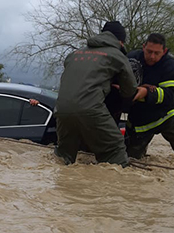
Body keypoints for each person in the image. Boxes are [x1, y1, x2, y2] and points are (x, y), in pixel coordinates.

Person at [54, 21, 146, 167]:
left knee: (63, 156)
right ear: (120, 41)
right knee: (115, 147)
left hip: (61, 110)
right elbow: (129, 90)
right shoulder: (117, 55)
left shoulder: (74, 54)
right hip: (90, 109)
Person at [125, 33, 174, 163]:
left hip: (167, 117)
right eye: (149, 51)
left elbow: (171, 96)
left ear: (164, 52)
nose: (152, 56)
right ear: (143, 47)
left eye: (156, 53)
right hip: (140, 122)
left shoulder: (170, 66)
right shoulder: (131, 58)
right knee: (131, 160)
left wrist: (147, 93)